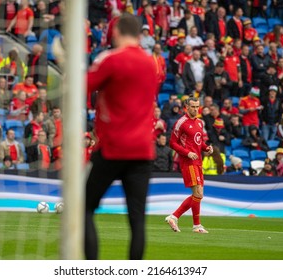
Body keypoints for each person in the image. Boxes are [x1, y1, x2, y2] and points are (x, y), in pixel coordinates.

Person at [85, 14, 158, 260]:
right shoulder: (152, 63)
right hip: (142, 151)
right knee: (137, 219)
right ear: (139, 35)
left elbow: (83, 86)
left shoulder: (111, 59)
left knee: (83, 208)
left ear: (115, 33)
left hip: (112, 148)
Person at [165, 97, 213, 234]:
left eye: (197, 106)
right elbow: (172, 143)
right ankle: (179, 218)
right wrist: (187, 153)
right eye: (193, 106)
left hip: (198, 161)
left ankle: (191, 224)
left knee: (199, 194)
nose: (195, 109)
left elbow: (199, 142)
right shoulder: (181, 123)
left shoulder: (199, 123)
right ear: (186, 107)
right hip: (188, 162)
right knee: (197, 193)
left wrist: (207, 148)